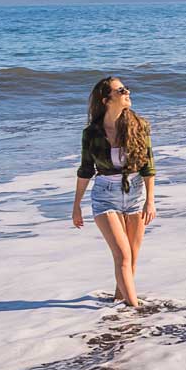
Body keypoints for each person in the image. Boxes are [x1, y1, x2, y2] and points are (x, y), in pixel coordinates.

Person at [71, 76, 156, 308]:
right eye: (121, 90)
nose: (127, 92)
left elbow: (148, 166)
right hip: (105, 195)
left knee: (132, 257)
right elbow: (86, 170)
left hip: (136, 193)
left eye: (126, 88)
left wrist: (150, 201)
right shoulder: (91, 133)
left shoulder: (140, 125)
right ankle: (135, 309)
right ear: (106, 99)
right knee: (122, 256)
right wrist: (76, 205)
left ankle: (118, 304)